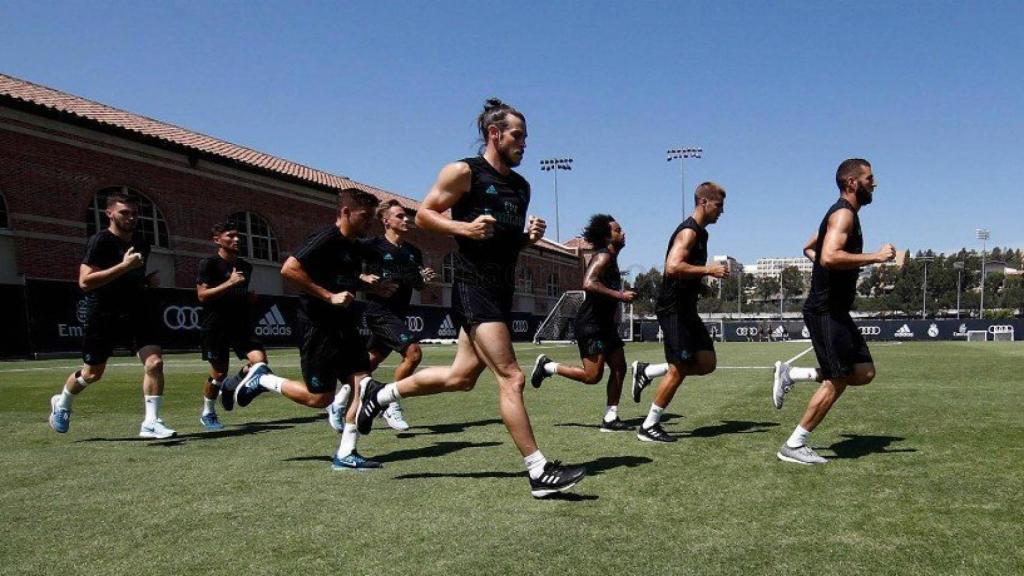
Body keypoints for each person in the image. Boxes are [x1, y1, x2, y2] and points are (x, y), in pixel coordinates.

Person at [356, 98, 586, 498]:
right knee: (512, 377)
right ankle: (538, 471)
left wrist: (527, 236)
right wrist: (464, 228)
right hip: (471, 286)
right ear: (494, 133)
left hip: (500, 288)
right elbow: (426, 214)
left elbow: (505, 238)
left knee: (460, 379)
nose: (524, 144)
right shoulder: (463, 172)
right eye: (518, 135)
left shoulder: (521, 186)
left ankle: (381, 393)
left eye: (526, 137)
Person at [222, 187, 393, 470]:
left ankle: (346, 453)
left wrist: (368, 285)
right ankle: (263, 379)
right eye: (365, 216)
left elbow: (340, 278)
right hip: (319, 327)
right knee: (320, 398)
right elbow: (289, 269)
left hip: (345, 326)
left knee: (361, 384)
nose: (369, 222)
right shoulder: (325, 238)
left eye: (372, 217)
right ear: (346, 212)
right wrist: (328, 296)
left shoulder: (353, 245)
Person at [771, 159, 895, 464]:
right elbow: (827, 255)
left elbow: (810, 247)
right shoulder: (842, 214)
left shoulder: (844, 214)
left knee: (864, 372)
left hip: (836, 310)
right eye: (869, 178)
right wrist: (875, 258)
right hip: (825, 310)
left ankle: (793, 373)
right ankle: (795, 444)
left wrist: (831, 270)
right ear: (852, 182)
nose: (874, 183)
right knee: (838, 378)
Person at [48, 192, 174, 438]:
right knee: (92, 373)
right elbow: (85, 282)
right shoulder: (100, 241)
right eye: (124, 213)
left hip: (137, 310)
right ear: (110, 214)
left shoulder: (142, 242)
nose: (131, 218)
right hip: (104, 313)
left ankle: (151, 422)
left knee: (155, 363)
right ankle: (62, 403)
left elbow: (130, 278)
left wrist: (145, 281)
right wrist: (124, 267)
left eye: (134, 213)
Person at [629, 183, 729, 442]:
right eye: (719, 205)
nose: (722, 211)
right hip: (672, 308)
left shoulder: (702, 234)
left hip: (687, 308)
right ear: (704, 202)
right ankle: (649, 426)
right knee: (680, 367)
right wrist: (708, 270)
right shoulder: (688, 232)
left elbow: (685, 270)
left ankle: (647, 372)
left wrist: (700, 286)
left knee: (707, 362)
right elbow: (672, 267)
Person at [530, 214, 635, 431]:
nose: (623, 233)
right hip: (591, 326)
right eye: (618, 230)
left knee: (619, 367)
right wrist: (619, 295)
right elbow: (588, 283)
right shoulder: (603, 257)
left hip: (605, 326)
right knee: (592, 376)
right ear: (607, 237)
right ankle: (548, 366)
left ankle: (610, 418)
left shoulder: (612, 259)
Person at [358, 200, 436, 432]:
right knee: (413, 354)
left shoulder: (413, 252)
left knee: (368, 363)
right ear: (386, 221)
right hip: (378, 312)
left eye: (406, 216)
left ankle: (340, 403)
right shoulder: (371, 245)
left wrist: (424, 280)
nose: (406, 220)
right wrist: (363, 280)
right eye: (400, 216)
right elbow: (345, 269)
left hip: (398, 314)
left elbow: (419, 285)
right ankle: (390, 403)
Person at [194, 222, 268, 430]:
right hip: (215, 325)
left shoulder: (246, 266)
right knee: (218, 373)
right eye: (231, 236)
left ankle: (231, 386)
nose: (237, 239)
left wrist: (248, 297)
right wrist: (230, 283)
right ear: (217, 240)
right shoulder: (208, 264)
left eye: (238, 236)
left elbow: (236, 294)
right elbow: (202, 295)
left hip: (241, 324)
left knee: (259, 363)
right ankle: (208, 412)